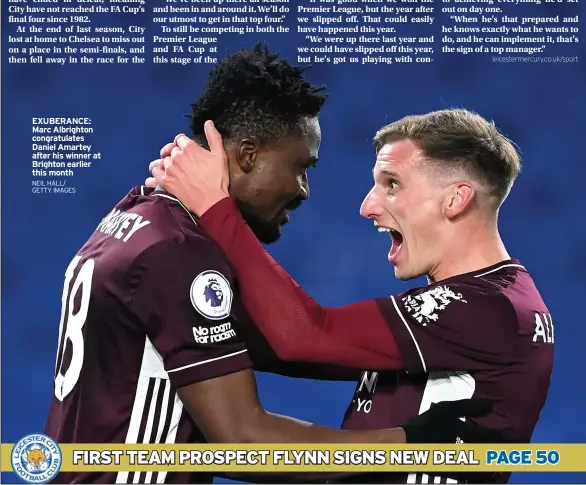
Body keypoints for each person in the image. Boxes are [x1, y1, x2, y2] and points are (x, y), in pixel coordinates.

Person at [44, 46, 506, 485]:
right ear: (248, 156)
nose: (303, 189)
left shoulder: (132, 217)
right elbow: (242, 440)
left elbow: (223, 408)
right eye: (299, 166)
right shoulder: (180, 255)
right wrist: (407, 444)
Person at [147, 108, 554, 484]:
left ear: (455, 199)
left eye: (392, 184)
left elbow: (302, 337)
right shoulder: (486, 302)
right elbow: (284, 346)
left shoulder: (489, 309)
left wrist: (213, 205)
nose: (367, 206)